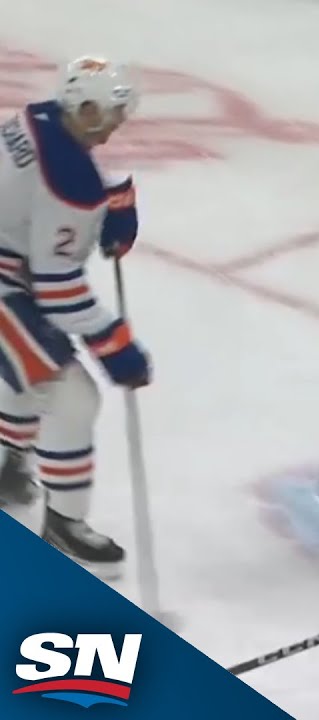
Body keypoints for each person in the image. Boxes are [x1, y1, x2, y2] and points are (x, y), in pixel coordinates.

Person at [0, 56, 150, 577]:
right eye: (111, 113)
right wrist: (117, 346)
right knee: (71, 396)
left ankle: (5, 457)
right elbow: (58, 290)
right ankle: (65, 524)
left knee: (29, 367)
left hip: (9, 261)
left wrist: (113, 201)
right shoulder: (70, 181)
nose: (116, 124)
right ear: (84, 108)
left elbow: (51, 185)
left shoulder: (37, 118)